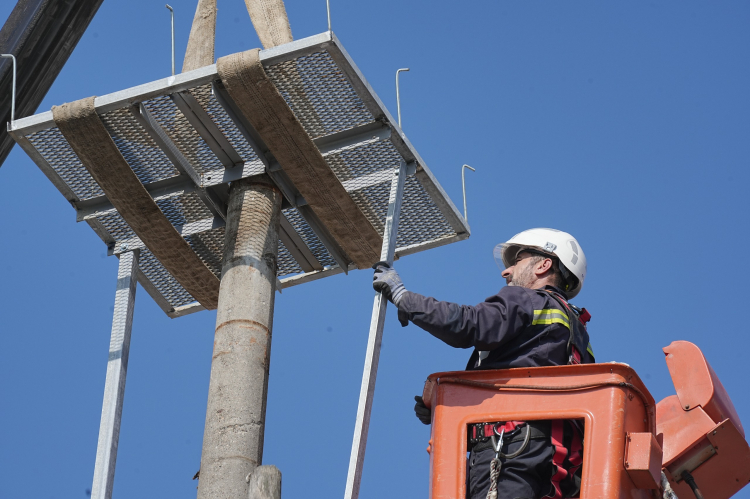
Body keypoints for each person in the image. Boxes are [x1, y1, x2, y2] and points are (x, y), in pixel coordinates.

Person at [373, 228, 594, 499]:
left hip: (510, 449)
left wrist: (404, 298)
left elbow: (469, 325)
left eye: (518, 261)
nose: (507, 271)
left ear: (543, 265)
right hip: (560, 468)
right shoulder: (579, 335)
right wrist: (447, 410)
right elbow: (527, 386)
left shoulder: (526, 299)